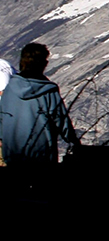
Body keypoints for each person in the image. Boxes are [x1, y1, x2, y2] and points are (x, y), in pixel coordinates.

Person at [0, 43, 79, 171]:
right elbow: (61, 121)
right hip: (42, 156)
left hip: (13, 155)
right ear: (42, 63)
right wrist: (74, 143)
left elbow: (2, 119)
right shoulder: (48, 91)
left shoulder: (10, 89)